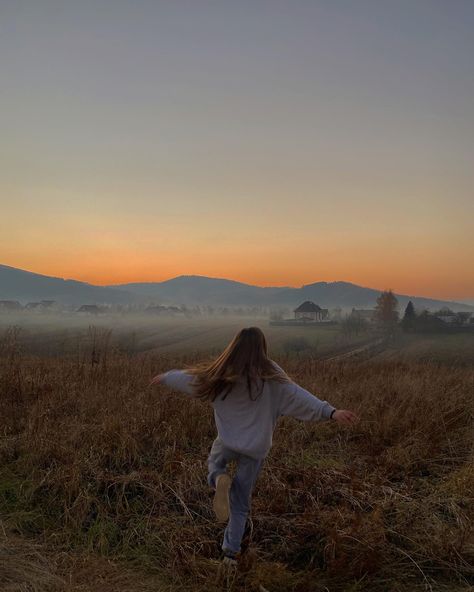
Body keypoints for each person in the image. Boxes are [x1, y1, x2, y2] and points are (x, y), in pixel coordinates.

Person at [150, 326, 358, 566]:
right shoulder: (273, 376)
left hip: (227, 441)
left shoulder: (221, 373)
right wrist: (330, 412)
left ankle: (218, 479)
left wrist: (166, 377)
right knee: (240, 505)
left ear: (235, 346)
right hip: (256, 448)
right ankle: (230, 555)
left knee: (214, 464)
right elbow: (300, 397)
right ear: (263, 347)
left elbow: (191, 380)